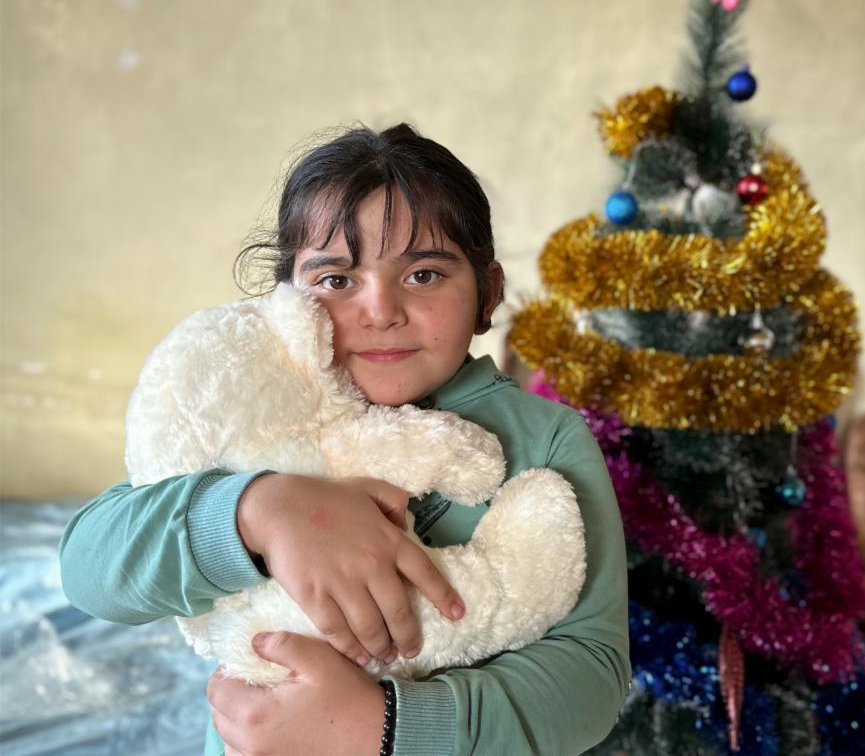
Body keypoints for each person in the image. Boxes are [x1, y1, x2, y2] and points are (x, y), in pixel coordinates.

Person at [58, 123, 631, 756]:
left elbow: (592, 674)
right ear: (287, 300)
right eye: (336, 280)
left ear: (487, 292)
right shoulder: (254, 408)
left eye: (424, 275)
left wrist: (383, 727)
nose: (381, 311)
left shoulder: (548, 440)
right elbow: (89, 567)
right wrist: (257, 512)